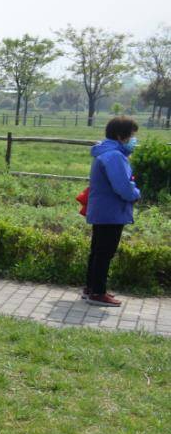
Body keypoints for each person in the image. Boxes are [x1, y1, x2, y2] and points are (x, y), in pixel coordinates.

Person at [84, 117, 141, 307]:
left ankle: (91, 289)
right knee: (105, 252)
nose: (133, 140)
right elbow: (123, 186)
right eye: (132, 136)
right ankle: (98, 293)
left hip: (102, 210)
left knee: (98, 251)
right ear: (120, 135)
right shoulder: (115, 156)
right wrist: (135, 194)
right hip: (111, 211)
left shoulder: (105, 152)